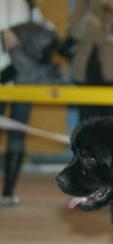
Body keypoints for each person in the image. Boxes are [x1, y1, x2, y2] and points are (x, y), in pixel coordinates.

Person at [0, 0, 44, 207]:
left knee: (18, 133)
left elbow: (41, 37)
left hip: (23, 77)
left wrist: (23, 40)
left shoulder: (31, 6)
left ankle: (9, 189)